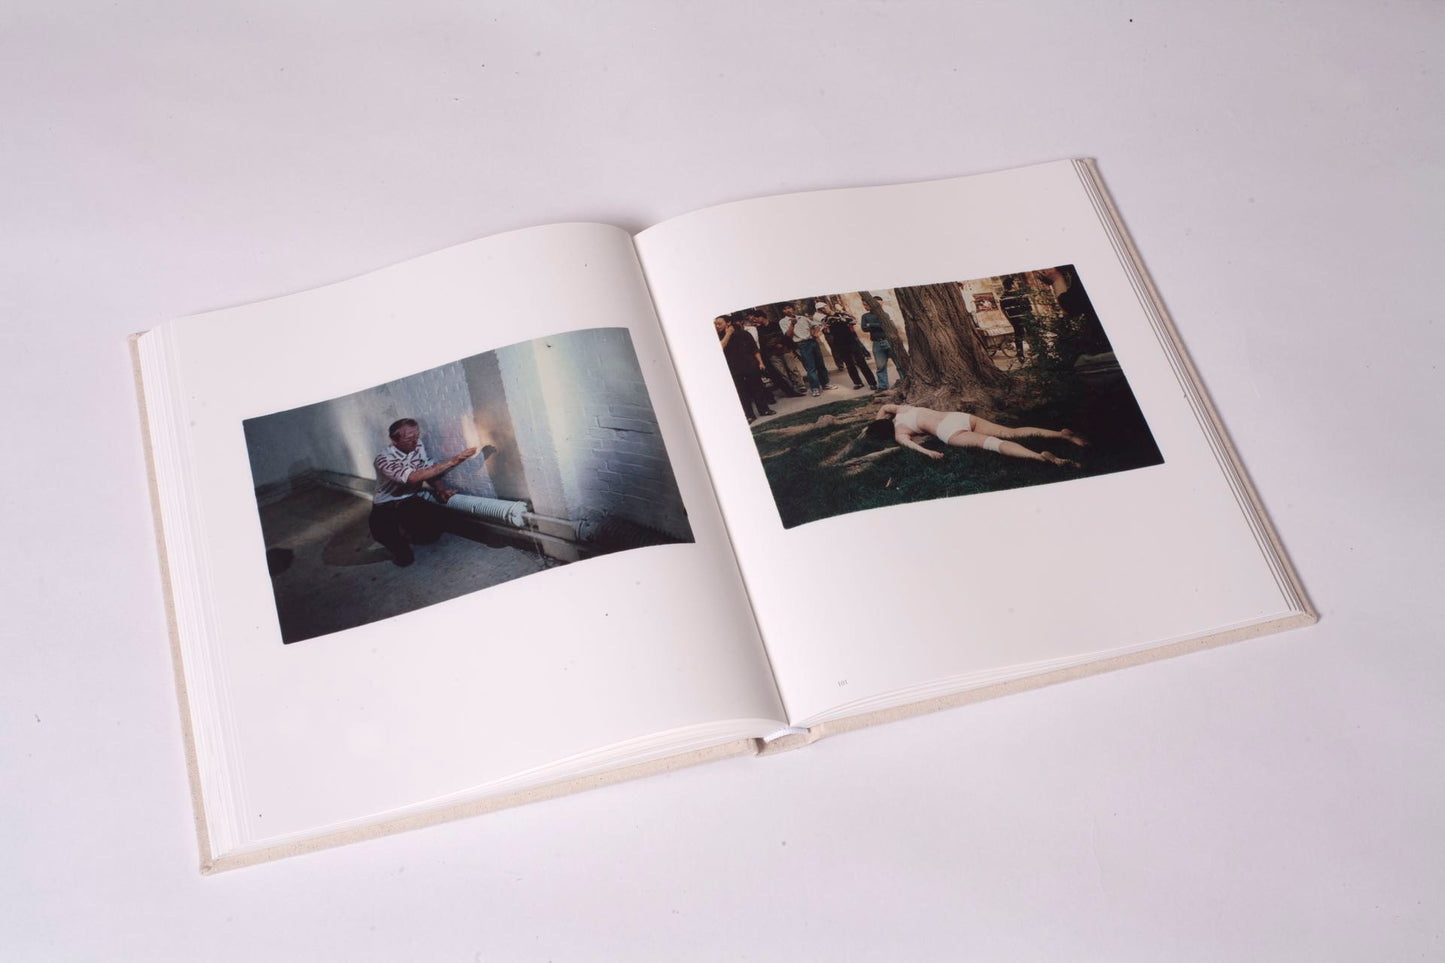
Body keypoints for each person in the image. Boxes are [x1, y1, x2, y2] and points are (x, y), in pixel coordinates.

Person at [370, 418, 483, 566]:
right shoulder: (384, 459)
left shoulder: (418, 445)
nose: (415, 442)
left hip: (409, 499)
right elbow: (413, 478)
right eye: (409, 439)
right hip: (386, 505)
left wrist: (440, 489)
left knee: (433, 532)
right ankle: (397, 540)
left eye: (417, 436)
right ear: (394, 440)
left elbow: (426, 470)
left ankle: (407, 529)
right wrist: (453, 461)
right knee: (404, 557)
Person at [866, 403, 1086, 466]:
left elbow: (913, 445)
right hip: (957, 417)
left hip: (949, 432)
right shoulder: (902, 409)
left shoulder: (900, 433)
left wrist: (929, 452)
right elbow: (884, 407)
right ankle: (1062, 434)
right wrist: (876, 420)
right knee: (1011, 432)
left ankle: (1039, 457)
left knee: (993, 444)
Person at [716, 315, 776, 421]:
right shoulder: (718, 337)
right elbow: (720, 348)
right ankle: (749, 415)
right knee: (742, 393)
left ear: (728, 323)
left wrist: (761, 363)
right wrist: (728, 334)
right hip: (734, 369)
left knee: (757, 389)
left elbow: (754, 349)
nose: (717, 326)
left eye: (719, 323)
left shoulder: (744, 334)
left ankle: (764, 410)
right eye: (715, 324)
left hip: (750, 365)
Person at [780, 303, 836, 396]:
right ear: (783, 311)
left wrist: (815, 333)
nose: (788, 310)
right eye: (785, 309)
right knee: (810, 367)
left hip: (812, 341)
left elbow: (816, 325)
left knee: (820, 364)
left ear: (792, 308)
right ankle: (815, 388)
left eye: (789, 308)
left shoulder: (802, 318)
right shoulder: (783, 321)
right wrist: (792, 324)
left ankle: (825, 384)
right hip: (802, 344)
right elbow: (788, 335)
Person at [751, 310, 806, 397]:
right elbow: (763, 342)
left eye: (757, 318)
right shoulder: (759, 329)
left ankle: (801, 385)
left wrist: (779, 343)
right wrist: (773, 344)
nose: (756, 320)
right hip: (773, 354)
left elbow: (783, 335)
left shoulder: (775, 324)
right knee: (782, 373)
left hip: (784, 350)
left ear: (762, 317)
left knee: (793, 368)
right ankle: (791, 389)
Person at [824, 307, 878, 391]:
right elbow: (826, 332)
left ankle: (872, 383)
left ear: (828, 307)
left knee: (861, 362)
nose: (824, 310)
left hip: (851, 341)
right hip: (840, 344)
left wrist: (844, 320)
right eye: (821, 310)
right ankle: (857, 383)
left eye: (824, 308)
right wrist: (826, 328)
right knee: (849, 364)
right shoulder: (825, 320)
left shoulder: (842, 314)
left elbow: (854, 321)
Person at [859, 298, 902, 390]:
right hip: (876, 343)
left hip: (888, 341)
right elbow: (864, 328)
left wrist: (871, 325)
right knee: (880, 366)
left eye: (866, 304)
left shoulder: (884, 314)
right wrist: (878, 325)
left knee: (898, 363)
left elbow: (887, 326)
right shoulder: (865, 316)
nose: (865, 307)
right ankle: (883, 386)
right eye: (864, 305)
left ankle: (904, 380)